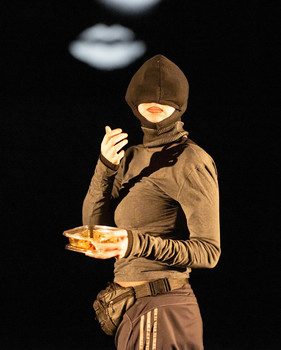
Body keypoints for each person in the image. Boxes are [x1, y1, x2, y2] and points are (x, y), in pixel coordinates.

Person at [82, 54, 221, 349]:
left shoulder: (191, 160)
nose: (156, 97)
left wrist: (134, 243)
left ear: (180, 104)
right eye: (147, 92)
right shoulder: (130, 157)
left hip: (164, 307)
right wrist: (105, 167)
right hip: (131, 307)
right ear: (134, 101)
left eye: (166, 94)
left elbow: (209, 252)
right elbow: (93, 232)